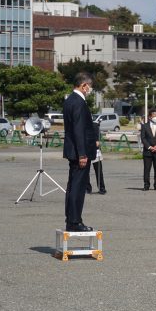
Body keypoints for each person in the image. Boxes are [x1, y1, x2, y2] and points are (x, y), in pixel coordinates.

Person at [62, 72, 98, 232]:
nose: (89, 90)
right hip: (79, 152)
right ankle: (75, 221)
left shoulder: (69, 100)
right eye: (89, 87)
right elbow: (78, 129)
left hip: (73, 150)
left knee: (73, 185)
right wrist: (82, 154)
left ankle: (71, 218)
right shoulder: (78, 102)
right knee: (78, 186)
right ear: (84, 85)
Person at [141, 110, 156, 190]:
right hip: (148, 151)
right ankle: (146, 185)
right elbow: (143, 138)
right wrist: (149, 147)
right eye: (154, 115)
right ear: (149, 117)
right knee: (147, 169)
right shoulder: (144, 126)